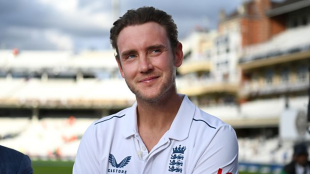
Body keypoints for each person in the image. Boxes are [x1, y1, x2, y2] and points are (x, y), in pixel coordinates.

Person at [73, 6, 238, 174]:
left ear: (178, 55)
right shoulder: (97, 136)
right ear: (120, 68)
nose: (144, 66)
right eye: (131, 56)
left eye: (155, 51)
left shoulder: (215, 137)